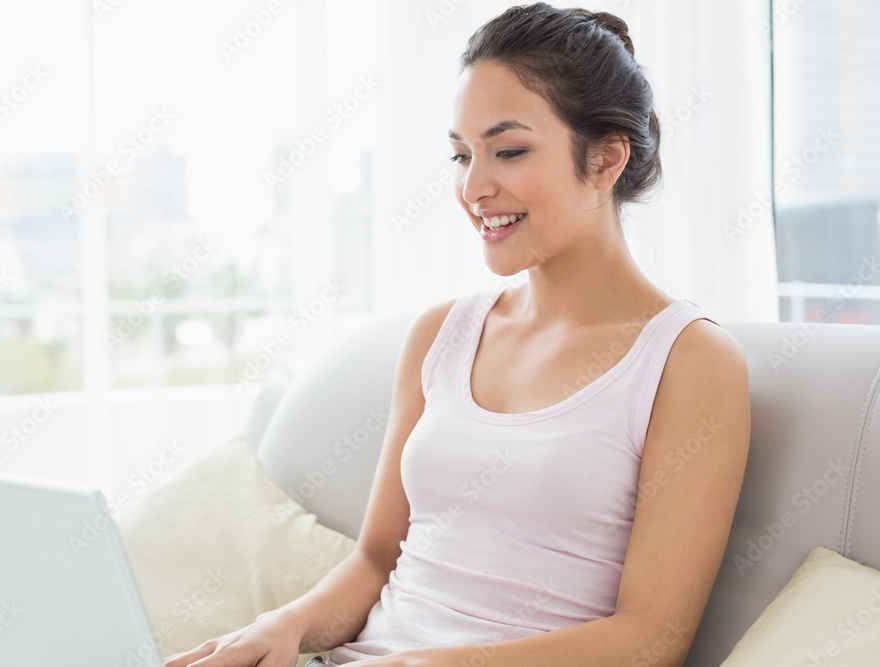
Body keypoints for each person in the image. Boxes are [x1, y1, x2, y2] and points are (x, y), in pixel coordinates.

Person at [164, 3, 750, 666]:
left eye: (509, 150)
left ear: (608, 157)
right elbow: (376, 557)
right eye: (461, 154)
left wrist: (435, 664)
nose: (473, 187)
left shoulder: (688, 361)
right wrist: (284, 627)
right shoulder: (441, 334)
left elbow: (653, 638)